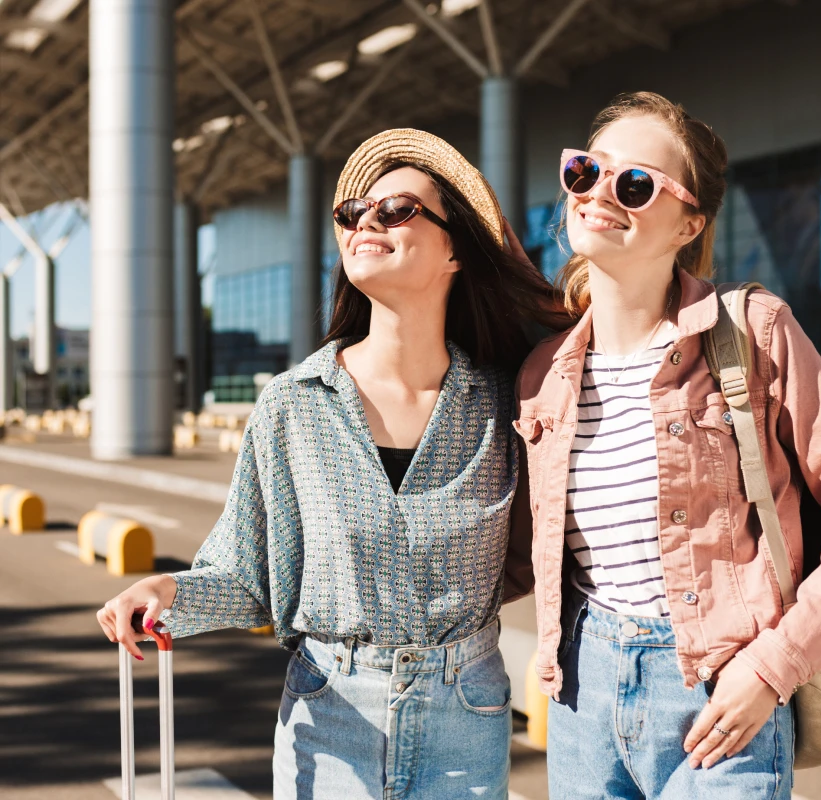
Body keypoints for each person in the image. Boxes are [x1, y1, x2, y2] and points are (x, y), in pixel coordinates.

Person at [97, 128, 566, 800]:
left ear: (454, 249)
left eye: (396, 210)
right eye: (351, 213)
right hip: (330, 717)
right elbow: (249, 572)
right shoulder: (293, 406)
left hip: (468, 716)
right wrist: (167, 595)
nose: (365, 222)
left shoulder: (504, 402)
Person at [512, 92, 821, 799]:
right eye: (587, 171)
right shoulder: (544, 373)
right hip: (582, 697)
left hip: (719, 690)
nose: (601, 193)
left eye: (635, 185)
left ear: (689, 221)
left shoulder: (753, 329)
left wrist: (771, 667)